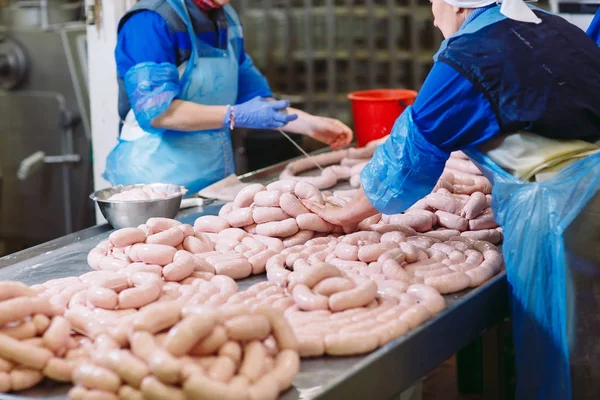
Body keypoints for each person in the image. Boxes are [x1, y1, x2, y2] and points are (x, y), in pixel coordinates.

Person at [303, 1, 600, 399]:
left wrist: (348, 214)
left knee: (562, 350)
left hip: (559, 210)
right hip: (587, 194)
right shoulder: (554, 27)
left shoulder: (469, 56)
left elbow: (410, 156)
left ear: (459, 3)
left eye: (434, 2)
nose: (431, 14)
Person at [104, 0, 352, 193]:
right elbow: (159, 113)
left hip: (214, 178)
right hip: (154, 183)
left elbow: (253, 96)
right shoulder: (150, 21)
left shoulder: (227, 19)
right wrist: (234, 114)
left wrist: (308, 123)